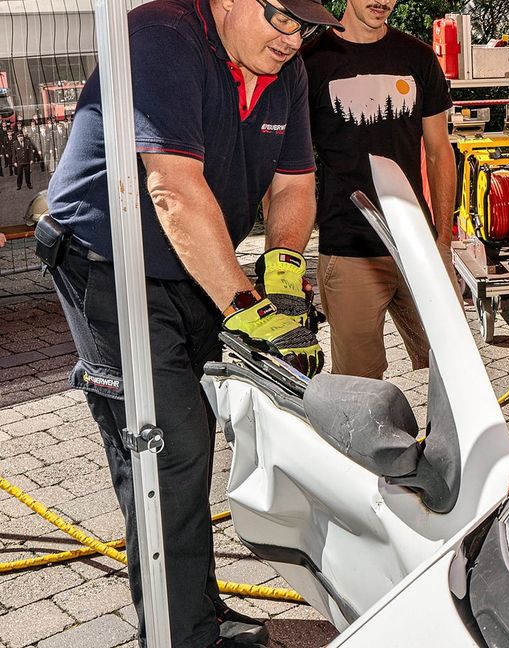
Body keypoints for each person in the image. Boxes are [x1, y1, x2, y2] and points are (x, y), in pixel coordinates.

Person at [42, 0, 338, 645]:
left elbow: (293, 181)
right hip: (111, 262)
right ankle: (181, 638)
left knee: (195, 435)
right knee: (164, 448)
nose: (294, 39)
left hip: (194, 264)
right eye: (283, 19)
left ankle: (197, 615)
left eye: (307, 27)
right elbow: (172, 187)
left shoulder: (283, 65)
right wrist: (243, 305)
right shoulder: (159, 37)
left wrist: (283, 270)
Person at [301, 0, 455, 379]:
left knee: (452, 367)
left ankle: (446, 441)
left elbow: (439, 152)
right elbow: (290, 167)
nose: (382, 2)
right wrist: (284, 259)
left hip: (417, 243)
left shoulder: (416, 57)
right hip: (349, 247)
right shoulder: (310, 61)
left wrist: (444, 241)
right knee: (359, 384)